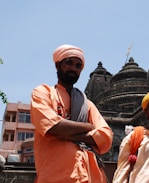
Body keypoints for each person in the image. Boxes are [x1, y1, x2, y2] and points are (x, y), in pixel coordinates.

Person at [30, 44, 113, 183]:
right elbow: (53, 127)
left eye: (78, 65)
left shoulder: (87, 104)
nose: (73, 68)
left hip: (91, 177)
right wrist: (89, 127)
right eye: (69, 63)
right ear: (58, 65)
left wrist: (66, 131)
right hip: (55, 176)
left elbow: (106, 137)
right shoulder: (43, 93)